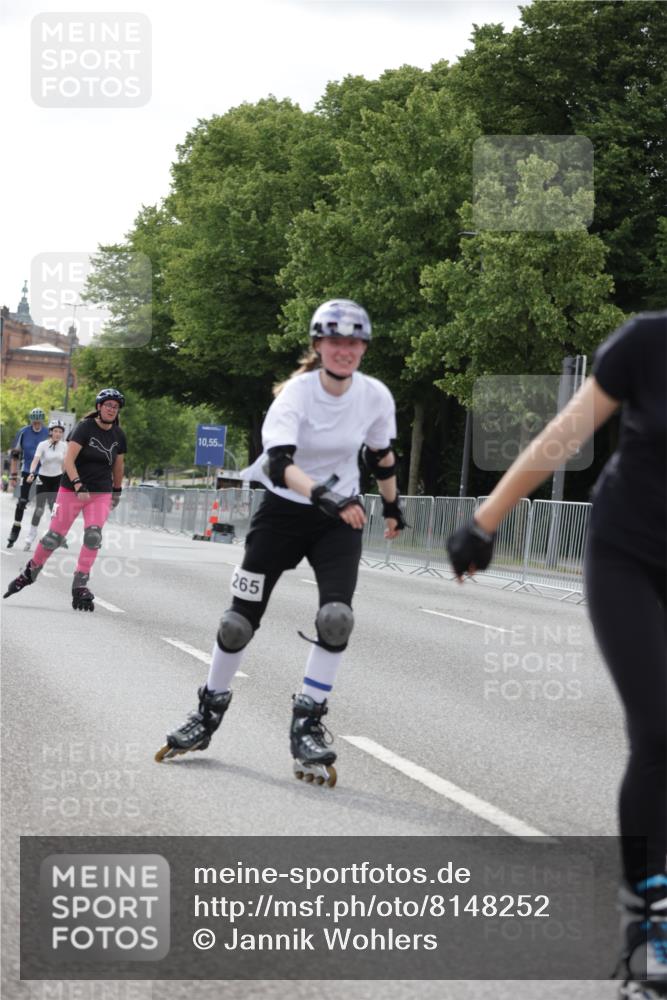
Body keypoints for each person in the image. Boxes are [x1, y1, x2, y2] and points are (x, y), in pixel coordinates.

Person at [446, 311, 666, 1000]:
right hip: (626, 551)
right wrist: (486, 520)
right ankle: (644, 923)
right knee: (659, 730)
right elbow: (564, 434)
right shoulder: (646, 344)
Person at [156, 299, 406, 785]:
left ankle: (307, 723)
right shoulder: (296, 394)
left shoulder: (374, 395)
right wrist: (322, 493)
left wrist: (394, 507)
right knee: (235, 624)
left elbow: (383, 456)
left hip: (339, 520)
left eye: (354, 341)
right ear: (318, 345)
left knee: (337, 619)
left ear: (364, 348)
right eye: (335, 340)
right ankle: (208, 709)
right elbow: (277, 464)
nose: (344, 350)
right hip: (282, 514)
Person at [3, 388, 127, 611]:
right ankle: (30, 573)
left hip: (100, 492)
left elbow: (118, 465)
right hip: (72, 489)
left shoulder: (118, 435)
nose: (111, 409)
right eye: (108, 405)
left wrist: (117, 490)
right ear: (99, 407)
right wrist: (78, 483)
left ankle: (80, 584)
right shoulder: (84, 428)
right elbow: (68, 461)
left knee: (93, 535)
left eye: (115, 407)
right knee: (53, 537)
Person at [6, 408, 49, 548]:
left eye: (39, 422)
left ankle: (34, 533)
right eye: (34, 422)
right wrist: (13, 475)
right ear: (31, 421)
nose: (36, 424)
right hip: (27, 470)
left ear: (42, 421)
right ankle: (15, 529)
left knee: (41, 505)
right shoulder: (23, 432)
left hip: (44, 472)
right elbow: (15, 455)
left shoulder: (48, 432)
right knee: (22, 501)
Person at [23, 419, 68, 551]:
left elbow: (65, 464)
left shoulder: (64, 446)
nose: (58, 434)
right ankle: (30, 538)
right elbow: (35, 460)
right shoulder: (42, 445)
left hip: (57, 479)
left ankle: (52, 535)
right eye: (55, 431)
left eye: (60, 432)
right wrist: (31, 472)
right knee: (39, 509)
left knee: (54, 509)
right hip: (43, 478)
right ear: (50, 432)